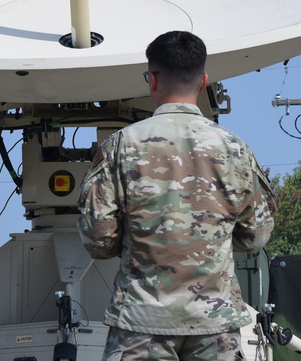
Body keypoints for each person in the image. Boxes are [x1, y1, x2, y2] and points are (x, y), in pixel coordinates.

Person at [78, 30, 276, 361]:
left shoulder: (122, 146)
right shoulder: (234, 149)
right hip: (215, 323)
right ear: (203, 82)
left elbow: (97, 238)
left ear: (152, 80)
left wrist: (135, 243)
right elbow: (256, 235)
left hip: (142, 321)